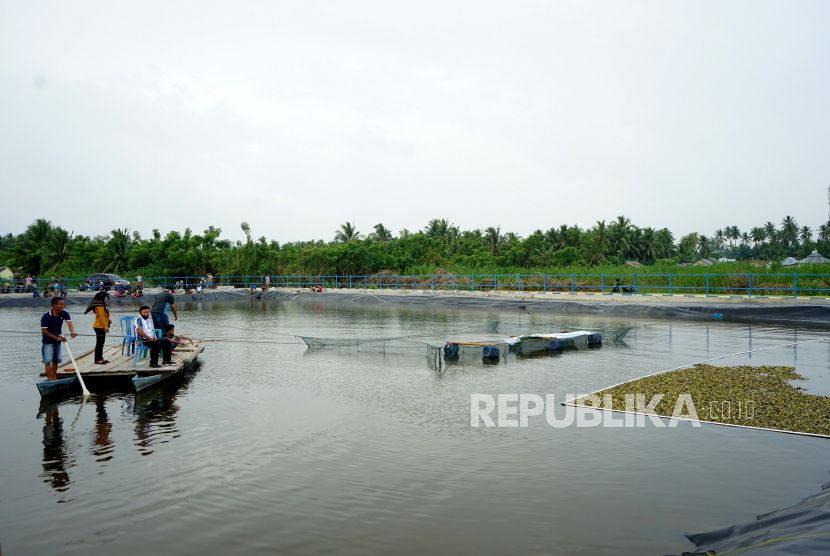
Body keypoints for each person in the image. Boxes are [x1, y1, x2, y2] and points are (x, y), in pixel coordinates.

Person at [40, 297, 77, 381]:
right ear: (55, 305)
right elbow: (44, 331)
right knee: (48, 360)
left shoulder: (64, 313)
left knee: (56, 360)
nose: (63, 306)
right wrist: (57, 338)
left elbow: (69, 323)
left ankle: (54, 377)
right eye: (61, 304)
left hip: (58, 341)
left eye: (63, 304)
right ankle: (50, 379)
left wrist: (72, 332)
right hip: (48, 341)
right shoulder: (46, 317)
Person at [85, 291, 112, 364]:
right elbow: (101, 316)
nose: (106, 298)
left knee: (101, 343)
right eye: (105, 297)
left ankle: (101, 357)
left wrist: (108, 320)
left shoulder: (102, 304)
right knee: (99, 343)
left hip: (101, 325)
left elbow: (104, 315)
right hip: (99, 326)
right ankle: (97, 359)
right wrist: (105, 326)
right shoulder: (99, 305)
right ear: (101, 297)